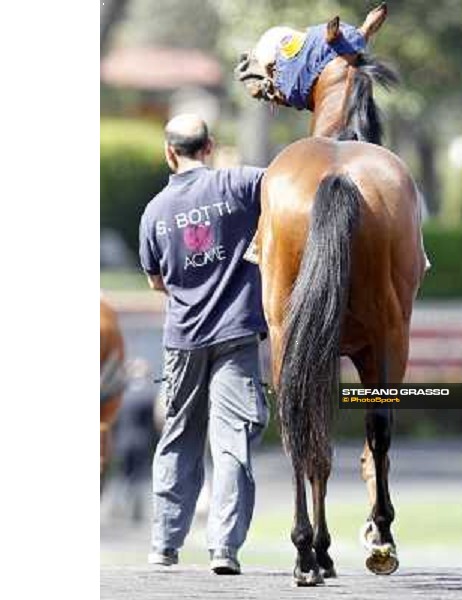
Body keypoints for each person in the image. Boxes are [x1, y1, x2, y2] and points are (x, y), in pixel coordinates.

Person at [139, 114, 269, 575]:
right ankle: (223, 549)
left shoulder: (154, 211)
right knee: (231, 441)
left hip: (183, 339)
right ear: (210, 146)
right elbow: (290, 181)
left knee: (178, 436)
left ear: (169, 153)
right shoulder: (238, 184)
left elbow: (157, 282)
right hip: (236, 335)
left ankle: (164, 543)